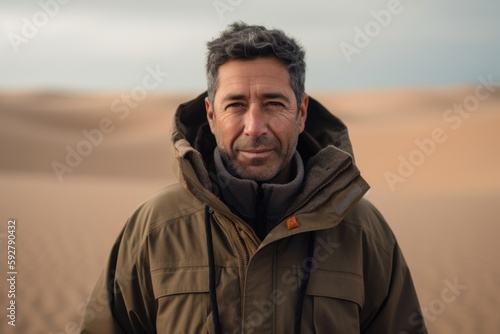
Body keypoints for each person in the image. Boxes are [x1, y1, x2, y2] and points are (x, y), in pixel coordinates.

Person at [80, 22, 427, 334]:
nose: (255, 128)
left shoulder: (361, 231)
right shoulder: (155, 227)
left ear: (301, 113)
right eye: (235, 105)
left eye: (273, 103)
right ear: (212, 115)